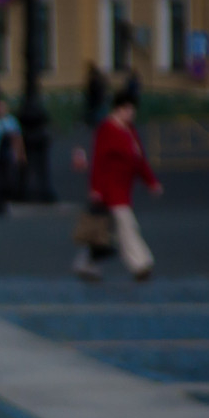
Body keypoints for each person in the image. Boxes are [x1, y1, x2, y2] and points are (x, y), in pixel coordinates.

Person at [73, 91, 162, 282]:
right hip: (110, 189)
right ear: (120, 109)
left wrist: (151, 182)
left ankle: (86, 265)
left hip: (123, 187)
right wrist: (95, 188)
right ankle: (141, 264)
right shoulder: (106, 129)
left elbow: (139, 160)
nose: (132, 114)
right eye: (129, 110)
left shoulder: (129, 130)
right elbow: (98, 159)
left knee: (103, 233)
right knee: (126, 226)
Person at [84, 62, 107, 128]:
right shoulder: (99, 79)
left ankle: (97, 125)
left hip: (96, 99)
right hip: (98, 99)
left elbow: (94, 90)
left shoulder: (95, 80)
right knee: (98, 113)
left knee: (97, 113)